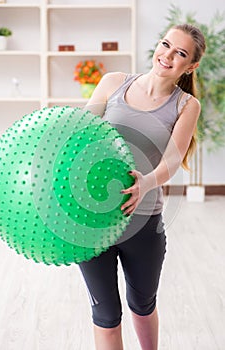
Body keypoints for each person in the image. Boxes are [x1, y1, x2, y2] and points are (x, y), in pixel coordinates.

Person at [78, 24, 206, 350]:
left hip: (144, 224)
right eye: (166, 44)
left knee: (142, 305)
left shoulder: (186, 105)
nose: (167, 55)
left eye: (180, 53)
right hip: (92, 222)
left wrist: (145, 183)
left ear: (190, 66)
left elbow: (172, 161)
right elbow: (81, 134)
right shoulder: (113, 83)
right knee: (105, 316)